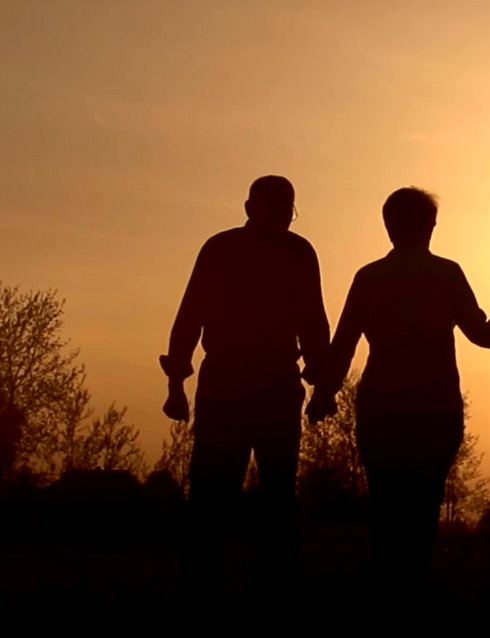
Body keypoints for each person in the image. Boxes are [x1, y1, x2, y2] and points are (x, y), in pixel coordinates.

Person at [306, 187, 490, 593]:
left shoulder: (369, 277)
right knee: (424, 500)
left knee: (385, 501)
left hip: (381, 406)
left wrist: (325, 393)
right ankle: (413, 585)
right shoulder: (447, 274)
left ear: (388, 225)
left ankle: (389, 584)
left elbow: (344, 344)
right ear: (430, 225)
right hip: (436, 408)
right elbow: (480, 332)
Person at [160, 175, 330, 601]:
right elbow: (314, 323)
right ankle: (269, 593)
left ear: (249, 206)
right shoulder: (294, 251)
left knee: (216, 496)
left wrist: (177, 382)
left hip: (232, 384)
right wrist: (323, 382)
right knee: (272, 497)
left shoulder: (222, 248)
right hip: (264, 385)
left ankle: (202, 589)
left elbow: (189, 316)